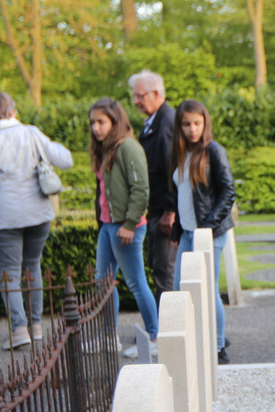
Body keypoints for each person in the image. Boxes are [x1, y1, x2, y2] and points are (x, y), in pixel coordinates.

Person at [0, 91, 73, 349]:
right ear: (13, 111)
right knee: (32, 266)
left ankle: (19, 330)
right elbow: (66, 161)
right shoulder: (31, 133)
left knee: (9, 274)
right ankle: (36, 326)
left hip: (6, 218)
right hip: (38, 213)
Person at [89, 97, 158, 358]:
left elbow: (141, 189)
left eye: (101, 122)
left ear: (115, 121)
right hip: (108, 225)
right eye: (93, 122)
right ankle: (109, 338)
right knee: (103, 283)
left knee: (136, 282)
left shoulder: (128, 147)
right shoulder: (106, 148)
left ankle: (154, 336)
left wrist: (130, 224)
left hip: (126, 227)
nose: (96, 128)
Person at [170, 99, 235, 364]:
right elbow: (182, 194)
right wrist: (177, 230)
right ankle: (193, 340)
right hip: (187, 233)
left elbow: (228, 191)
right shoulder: (179, 152)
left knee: (208, 290)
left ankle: (218, 346)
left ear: (205, 123)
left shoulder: (214, 151)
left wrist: (207, 227)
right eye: (186, 124)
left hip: (210, 234)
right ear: (179, 126)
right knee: (179, 288)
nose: (192, 129)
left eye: (197, 123)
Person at [128, 71, 179, 299]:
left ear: (156, 93)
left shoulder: (166, 122)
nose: (135, 101)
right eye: (134, 96)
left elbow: (172, 167)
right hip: (156, 209)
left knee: (165, 272)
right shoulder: (154, 122)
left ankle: (169, 321)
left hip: (165, 212)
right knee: (158, 267)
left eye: (140, 96)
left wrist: (170, 209)